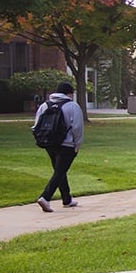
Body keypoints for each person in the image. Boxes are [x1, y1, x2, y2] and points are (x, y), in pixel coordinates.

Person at [35, 82, 85, 212]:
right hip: (67, 144)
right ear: (69, 93)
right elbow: (77, 128)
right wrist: (77, 144)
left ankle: (66, 199)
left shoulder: (45, 105)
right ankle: (45, 197)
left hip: (49, 143)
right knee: (60, 171)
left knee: (60, 170)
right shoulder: (73, 106)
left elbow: (36, 126)